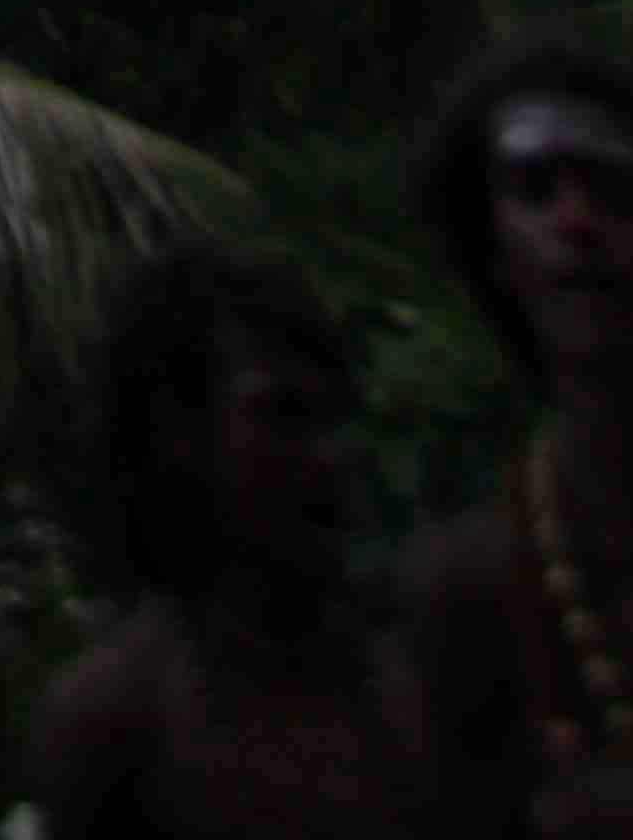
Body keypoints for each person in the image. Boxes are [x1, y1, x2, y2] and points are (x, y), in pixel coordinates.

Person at [399, 31, 633, 834]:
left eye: (616, 192)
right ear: (494, 253)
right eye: (536, 191)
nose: (577, 222)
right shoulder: (468, 587)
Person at [22, 242, 406, 833]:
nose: (329, 455)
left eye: (334, 418)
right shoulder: (115, 720)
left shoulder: (409, 674)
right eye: (284, 415)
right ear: (178, 438)